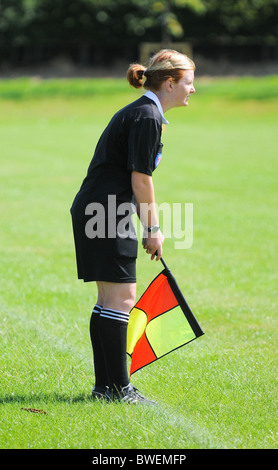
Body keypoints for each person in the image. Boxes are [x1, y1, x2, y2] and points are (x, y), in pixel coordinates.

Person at [70, 49, 196, 404]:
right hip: (106, 212)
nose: (193, 89)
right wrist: (153, 229)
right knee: (121, 299)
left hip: (102, 209)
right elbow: (141, 180)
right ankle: (118, 389)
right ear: (170, 83)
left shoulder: (144, 112)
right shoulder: (146, 116)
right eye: (189, 82)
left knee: (110, 300)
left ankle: (106, 387)